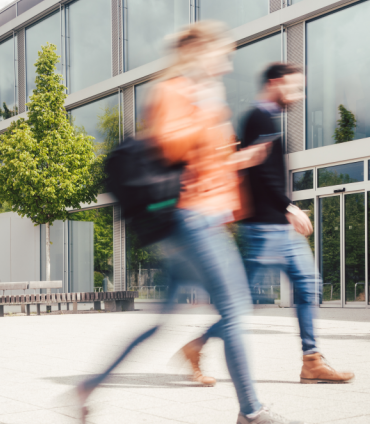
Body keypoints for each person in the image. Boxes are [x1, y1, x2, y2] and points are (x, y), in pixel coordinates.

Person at [77, 24, 305, 424]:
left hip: (202, 219)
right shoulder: (176, 91)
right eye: (223, 54)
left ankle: (91, 385)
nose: (228, 63)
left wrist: (238, 161)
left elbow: (208, 165)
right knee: (235, 308)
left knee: (161, 322)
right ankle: (251, 412)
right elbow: (170, 144)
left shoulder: (198, 95)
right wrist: (206, 113)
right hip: (190, 218)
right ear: (200, 52)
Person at [178, 63, 355, 387]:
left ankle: (312, 360)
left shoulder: (268, 118)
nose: (298, 95)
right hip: (261, 229)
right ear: (275, 82)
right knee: (242, 303)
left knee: (308, 286)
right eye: (294, 87)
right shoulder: (257, 118)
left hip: (279, 229)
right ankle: (196, 346)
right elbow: (260, 174)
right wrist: (288, 206)